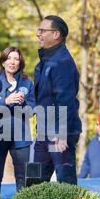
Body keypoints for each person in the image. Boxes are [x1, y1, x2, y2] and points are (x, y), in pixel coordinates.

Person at [32, 15, 82, 185]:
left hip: (59, 133)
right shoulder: (45, 61)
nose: (38, 34)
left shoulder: (62, 62)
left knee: (65, 180)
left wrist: (61, 134)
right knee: (35, 181)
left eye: (42, 30)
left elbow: (65, 100)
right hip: (44, 130)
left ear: (56, 34)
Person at [0, 47, 35, 199]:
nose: (12, 62)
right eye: (9, 58)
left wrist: (24, 103)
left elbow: (33, 107)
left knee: (23, 176)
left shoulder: (27, 82)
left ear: (20, 62)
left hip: (20, 136)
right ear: (3, 61)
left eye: (16, 59)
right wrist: (5, 101)